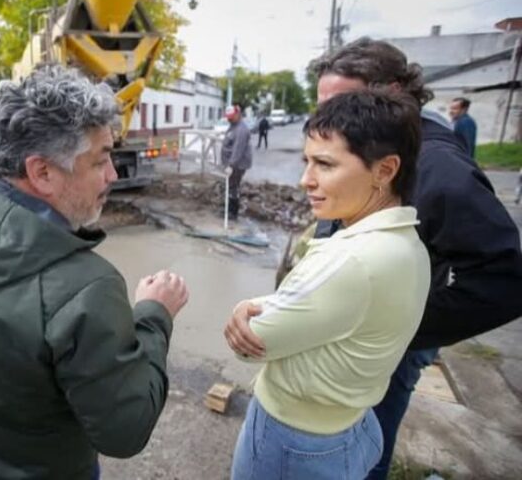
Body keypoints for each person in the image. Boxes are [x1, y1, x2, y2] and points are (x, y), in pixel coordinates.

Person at [227, 37, 522, 480]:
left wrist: (397, 326)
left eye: (346, 102)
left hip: (369, 349)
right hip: (346, 327)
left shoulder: (441, 169)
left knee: (360, 454)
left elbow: (505, 281)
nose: (329, 117)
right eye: (322, 104)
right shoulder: (379, 201)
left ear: (394, 94)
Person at [0, 65, 189, 480]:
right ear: (42, 172)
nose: (113, 175)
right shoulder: (83, 288)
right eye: (101, 161)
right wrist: (153, 315)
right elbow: (126, 431)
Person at [225, 90, 430, 480]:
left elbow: (251, 343)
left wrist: (242, 310)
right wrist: (264, 301)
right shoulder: (406, 242)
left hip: (295, 442)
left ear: (385, 170)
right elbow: (320, 309)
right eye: (307, 162)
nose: (306, 180)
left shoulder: (349, 260)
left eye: (324, 164)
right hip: (352, 425)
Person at [220, 104, 253, 221]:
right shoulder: (233, 126)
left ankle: (233, 212)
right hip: (232, 163)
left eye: (231, 117)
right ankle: (228, 209)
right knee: (230, 186)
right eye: (228, 117)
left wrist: (231, 165)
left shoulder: (241, 129)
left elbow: (238, 150)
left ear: (238, 114)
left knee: (233, 186)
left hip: (238, 164)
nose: (229, 119)